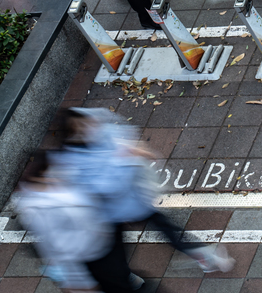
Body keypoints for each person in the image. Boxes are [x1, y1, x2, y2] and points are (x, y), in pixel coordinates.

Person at [52, 108, 235, 279]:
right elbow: (105, 186)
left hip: (133, 201)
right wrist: (124, 160)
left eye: (84, 123)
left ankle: (204, 257)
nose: (86, 129)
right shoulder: (72, 160)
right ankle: (119, 278)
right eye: (79, 128)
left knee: (164, 231)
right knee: (119, 248)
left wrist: (130, 152)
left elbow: (113, 129)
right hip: (112, 210)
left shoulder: (95, 130)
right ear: (70, 134)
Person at [17, 151, 132, 293]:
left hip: (99, 243)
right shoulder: (37, 209)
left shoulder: (61, 179)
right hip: (87, 253)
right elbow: (56, 244)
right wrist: (75, 280)